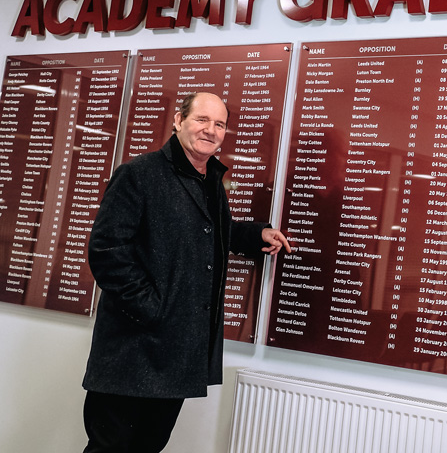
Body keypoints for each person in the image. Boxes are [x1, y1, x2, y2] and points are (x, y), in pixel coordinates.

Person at [81, 92, 291, 453]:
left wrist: (255, 234)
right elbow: (106, 253)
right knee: (110, 447)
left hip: (175, 353)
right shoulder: (138, 174)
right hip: (132, 350)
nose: (211, 130)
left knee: (148, 446)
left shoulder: (210, 180)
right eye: (202, 120)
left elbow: (211, 230)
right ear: (178, 121)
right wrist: (154, 308)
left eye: (220, 124)